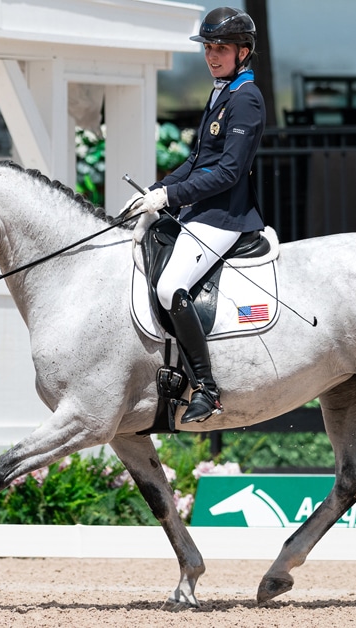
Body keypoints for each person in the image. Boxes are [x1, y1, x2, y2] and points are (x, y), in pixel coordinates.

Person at [124, 6, 267, 424]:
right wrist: (155, 191)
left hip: (225, 215)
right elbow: (198, 159)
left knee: (170, 286)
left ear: (243, 51)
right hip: (200, 211)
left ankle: (206, 386)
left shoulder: (247, 98)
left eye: (221, 48)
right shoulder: (220, 91)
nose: (212, 56)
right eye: (208, 48)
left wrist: (171, 196)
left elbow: (227, 172)